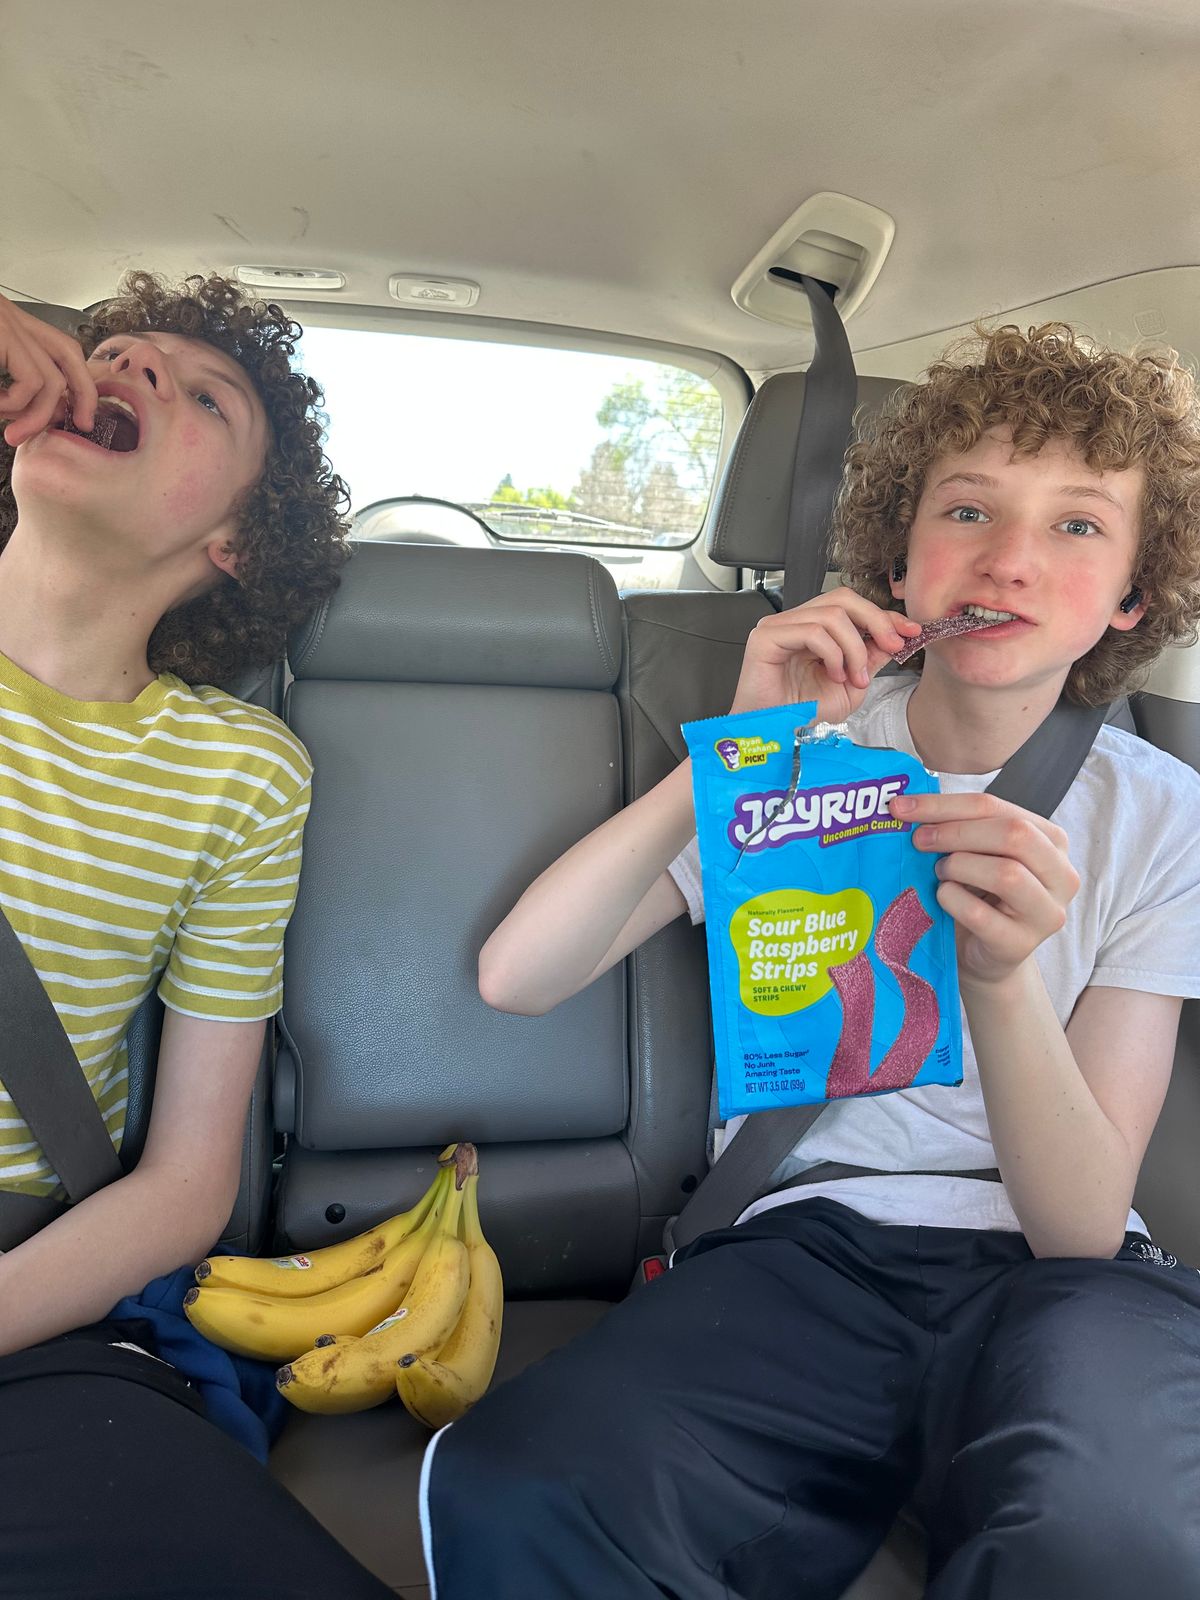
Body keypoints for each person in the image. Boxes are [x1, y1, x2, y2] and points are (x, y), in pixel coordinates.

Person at [422, 323, 1200, 1598]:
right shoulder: (794, 762)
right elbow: (520, 975)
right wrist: (740, 749)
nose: (1009, 557)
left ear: (1131, 596)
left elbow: (1076, 1227)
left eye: (1077, 525)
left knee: (1108, 1543)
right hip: (804, 1248)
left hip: (1062, 1288)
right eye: (968, 509)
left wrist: (999, 980)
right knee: (521, 1485)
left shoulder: (1162, 814)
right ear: (902, 556)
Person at [0, 277, 394, 1597]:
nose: (131, 366)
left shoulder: (241, 773)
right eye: (112, 351)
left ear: (235, 539)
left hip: (30, 1301)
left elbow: (185, 1184)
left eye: (205, 395)